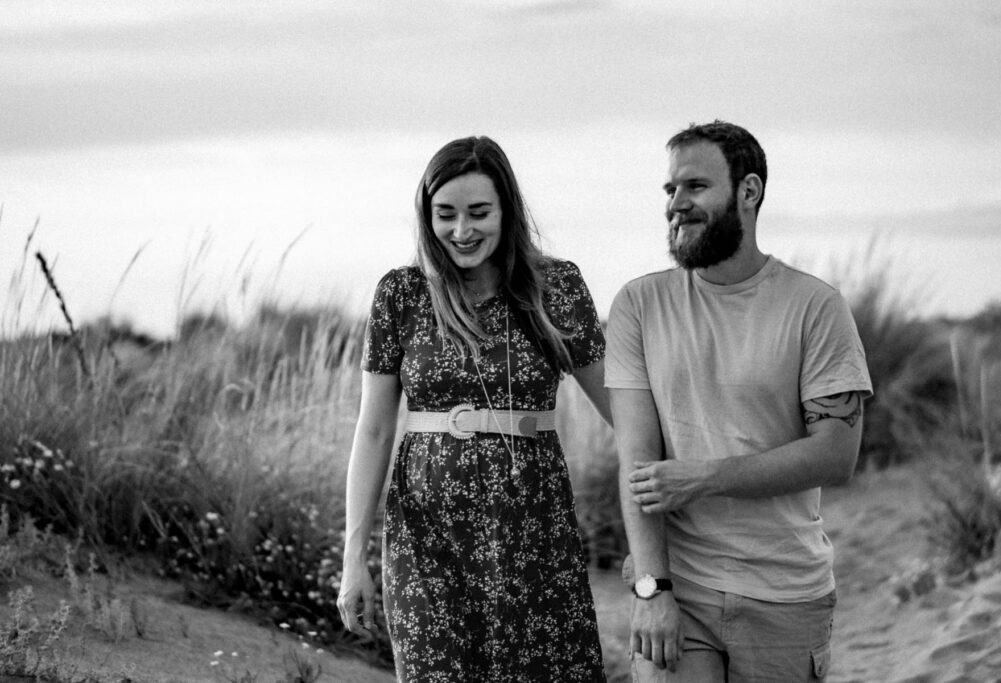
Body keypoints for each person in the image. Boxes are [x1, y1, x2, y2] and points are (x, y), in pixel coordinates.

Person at [605, 121, 873, 682]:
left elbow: (835, 455)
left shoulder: (816, 308)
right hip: (680, 587)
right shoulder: (639, 305)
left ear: (748, 192)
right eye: (669, 190)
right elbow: (638, 463)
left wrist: (705, 478)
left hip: (785, 592)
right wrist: (652, 589)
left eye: (695, 187)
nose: (676, 204)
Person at [337, 136, 611, 682]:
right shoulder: (402, 294)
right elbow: (372, 432)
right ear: (427, 215)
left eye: (479, 213)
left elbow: (623, 411)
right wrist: (352, 559)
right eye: (446, 215)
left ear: (506, 209)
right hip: (425, 539)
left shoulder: (555, 288)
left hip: (532, 534)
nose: (462, 231)